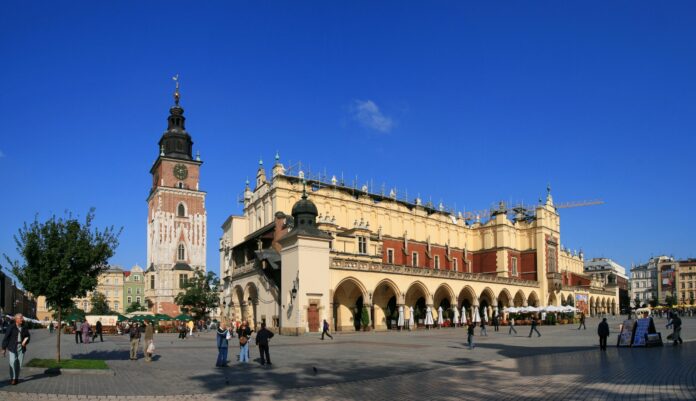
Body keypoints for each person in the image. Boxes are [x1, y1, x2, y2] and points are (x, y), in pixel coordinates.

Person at [1, 314, 31, 385]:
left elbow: (28, 336)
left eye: (22, 318)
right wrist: (3, 348)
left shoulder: (24, 327)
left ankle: (16, 378)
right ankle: (13, 378)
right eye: (21, 318)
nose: (22, 319)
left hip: (21, 347)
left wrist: (26, 340)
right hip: (12, 347)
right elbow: (6, 338)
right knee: (12, 362)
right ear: (16, 319)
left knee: (19, 364)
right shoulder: (11, 327)